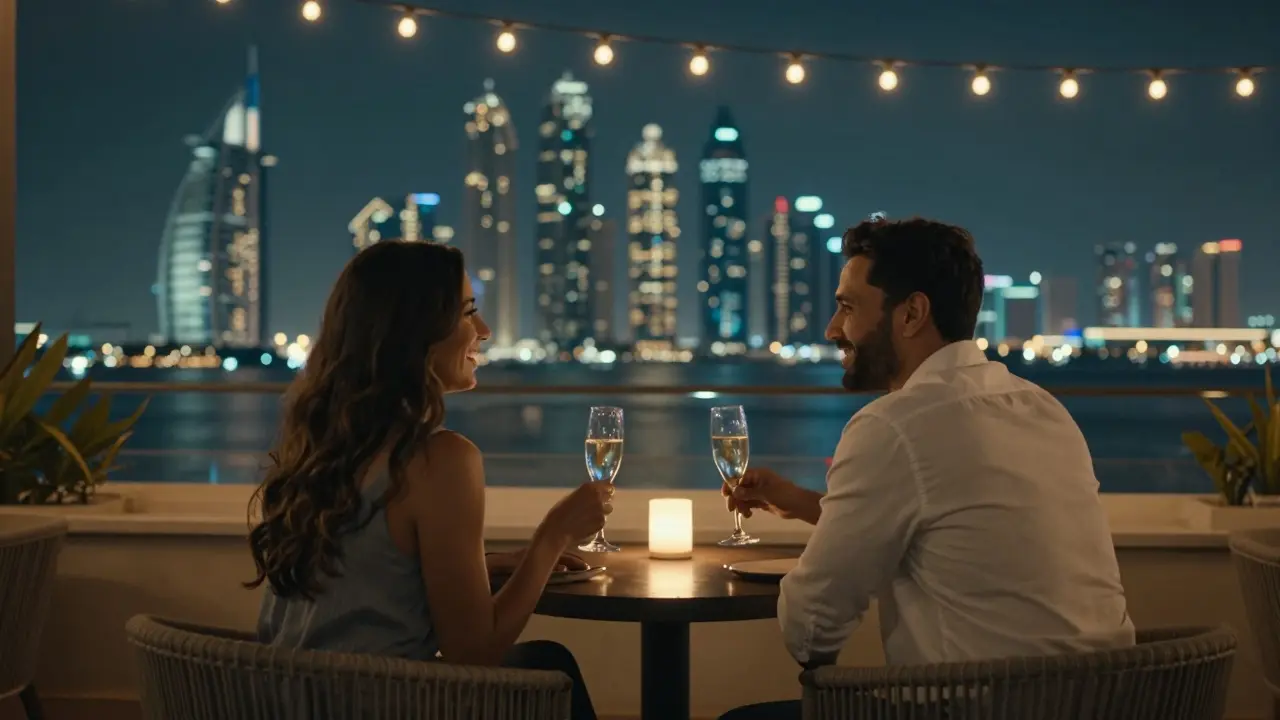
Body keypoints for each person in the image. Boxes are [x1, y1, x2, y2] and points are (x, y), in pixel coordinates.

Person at [718, 218, 1134, 719]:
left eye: (848, 307)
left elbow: (810, 629)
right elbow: (958, 522)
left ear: (912, 313)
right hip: (1110, 700)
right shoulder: (1043, 408)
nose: (832, 329)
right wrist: (811, 507)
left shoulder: (893, 426)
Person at [248, 240, 607, 720]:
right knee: (549, 668)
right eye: (466, 314)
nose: (483, 331)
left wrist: (491, 564)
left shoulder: (314, 450)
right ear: (413, 332)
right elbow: (474, 654)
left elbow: (366, 572)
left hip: (294, 701)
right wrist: (552, 536)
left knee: (545, 662)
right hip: (385, 703)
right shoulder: (441, 460)